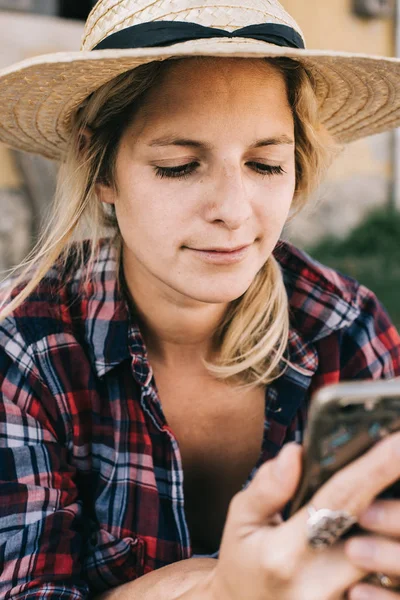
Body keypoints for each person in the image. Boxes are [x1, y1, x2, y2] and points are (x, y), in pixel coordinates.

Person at [0, 0, 400, 598]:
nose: (234, 212)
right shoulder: (27, 345)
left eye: (265, 164)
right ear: (101, 166)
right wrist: (222, 588)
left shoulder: (343, 324)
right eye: (180, 165)